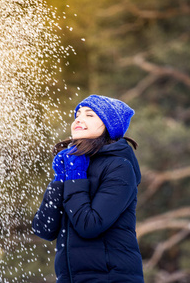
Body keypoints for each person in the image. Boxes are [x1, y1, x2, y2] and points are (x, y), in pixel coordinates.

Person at [32, 94, 144, 283]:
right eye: (77, 114)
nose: (79, 118)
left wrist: (75, 175)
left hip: (111, 278)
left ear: (109, 125)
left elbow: (89, 226)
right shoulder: (75, 164)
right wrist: (60, 180)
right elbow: (44, 228)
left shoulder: (119, 167)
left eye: (89, 115)